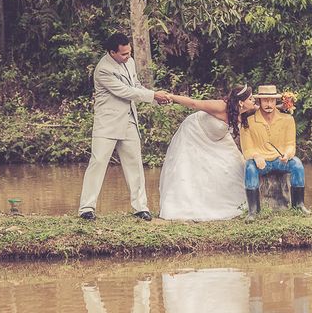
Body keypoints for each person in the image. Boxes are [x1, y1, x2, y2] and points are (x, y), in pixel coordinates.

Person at [78, 32, 169, 221]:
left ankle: (140, 207)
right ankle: (87, 208)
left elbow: (135, 85)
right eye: (124, 54)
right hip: (107, 123)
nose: (128, 57)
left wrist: (154, 99)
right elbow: (125, 91)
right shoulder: (103, 69)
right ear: (112, 52)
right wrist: (153, 95)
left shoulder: (129, 62)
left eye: (129, 53)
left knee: (134, 163)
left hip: (128, 120)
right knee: (98, 162)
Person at [158, 85, 257, 221]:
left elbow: (265, 109)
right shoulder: (221, 106)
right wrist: (171, 97)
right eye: (251, 98)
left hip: (219, 137)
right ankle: (187, 206)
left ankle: (242, 203)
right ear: (241, 101)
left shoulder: (245, 109)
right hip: (195, 132)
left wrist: (283, 106)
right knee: (191, 168)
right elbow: (193, 103)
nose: (254, 101)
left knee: (235, 163)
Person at [240, 84, 310, 222]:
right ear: (259, 102)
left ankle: (299, 205)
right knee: (249, 167)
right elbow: (246, 149)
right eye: (265, 100)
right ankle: (253, 210)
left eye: (272, 100)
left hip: (280, 160)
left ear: (276, 101)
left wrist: (288, 154)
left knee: (297, 164)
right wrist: (256, 156)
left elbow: (291, 144)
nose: (269, 104)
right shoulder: (248, 122)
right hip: (261, 162)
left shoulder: (287, 119)